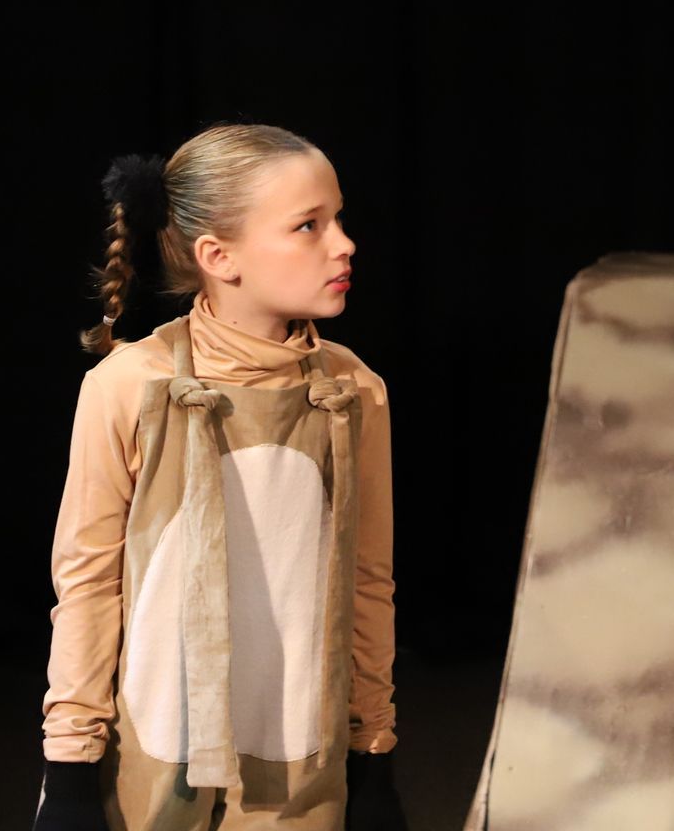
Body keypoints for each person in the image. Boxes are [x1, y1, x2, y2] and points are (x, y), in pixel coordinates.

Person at [34, 123, 408, 830]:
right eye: (308, 226)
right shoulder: (128, 385)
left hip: (301, 762)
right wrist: (70, 771)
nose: (343, 244)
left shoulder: (354, 388)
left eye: (339, 219)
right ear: (218, 255)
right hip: (154, 757)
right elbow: (86, 584)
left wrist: (374, 754)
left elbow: (367, 581)